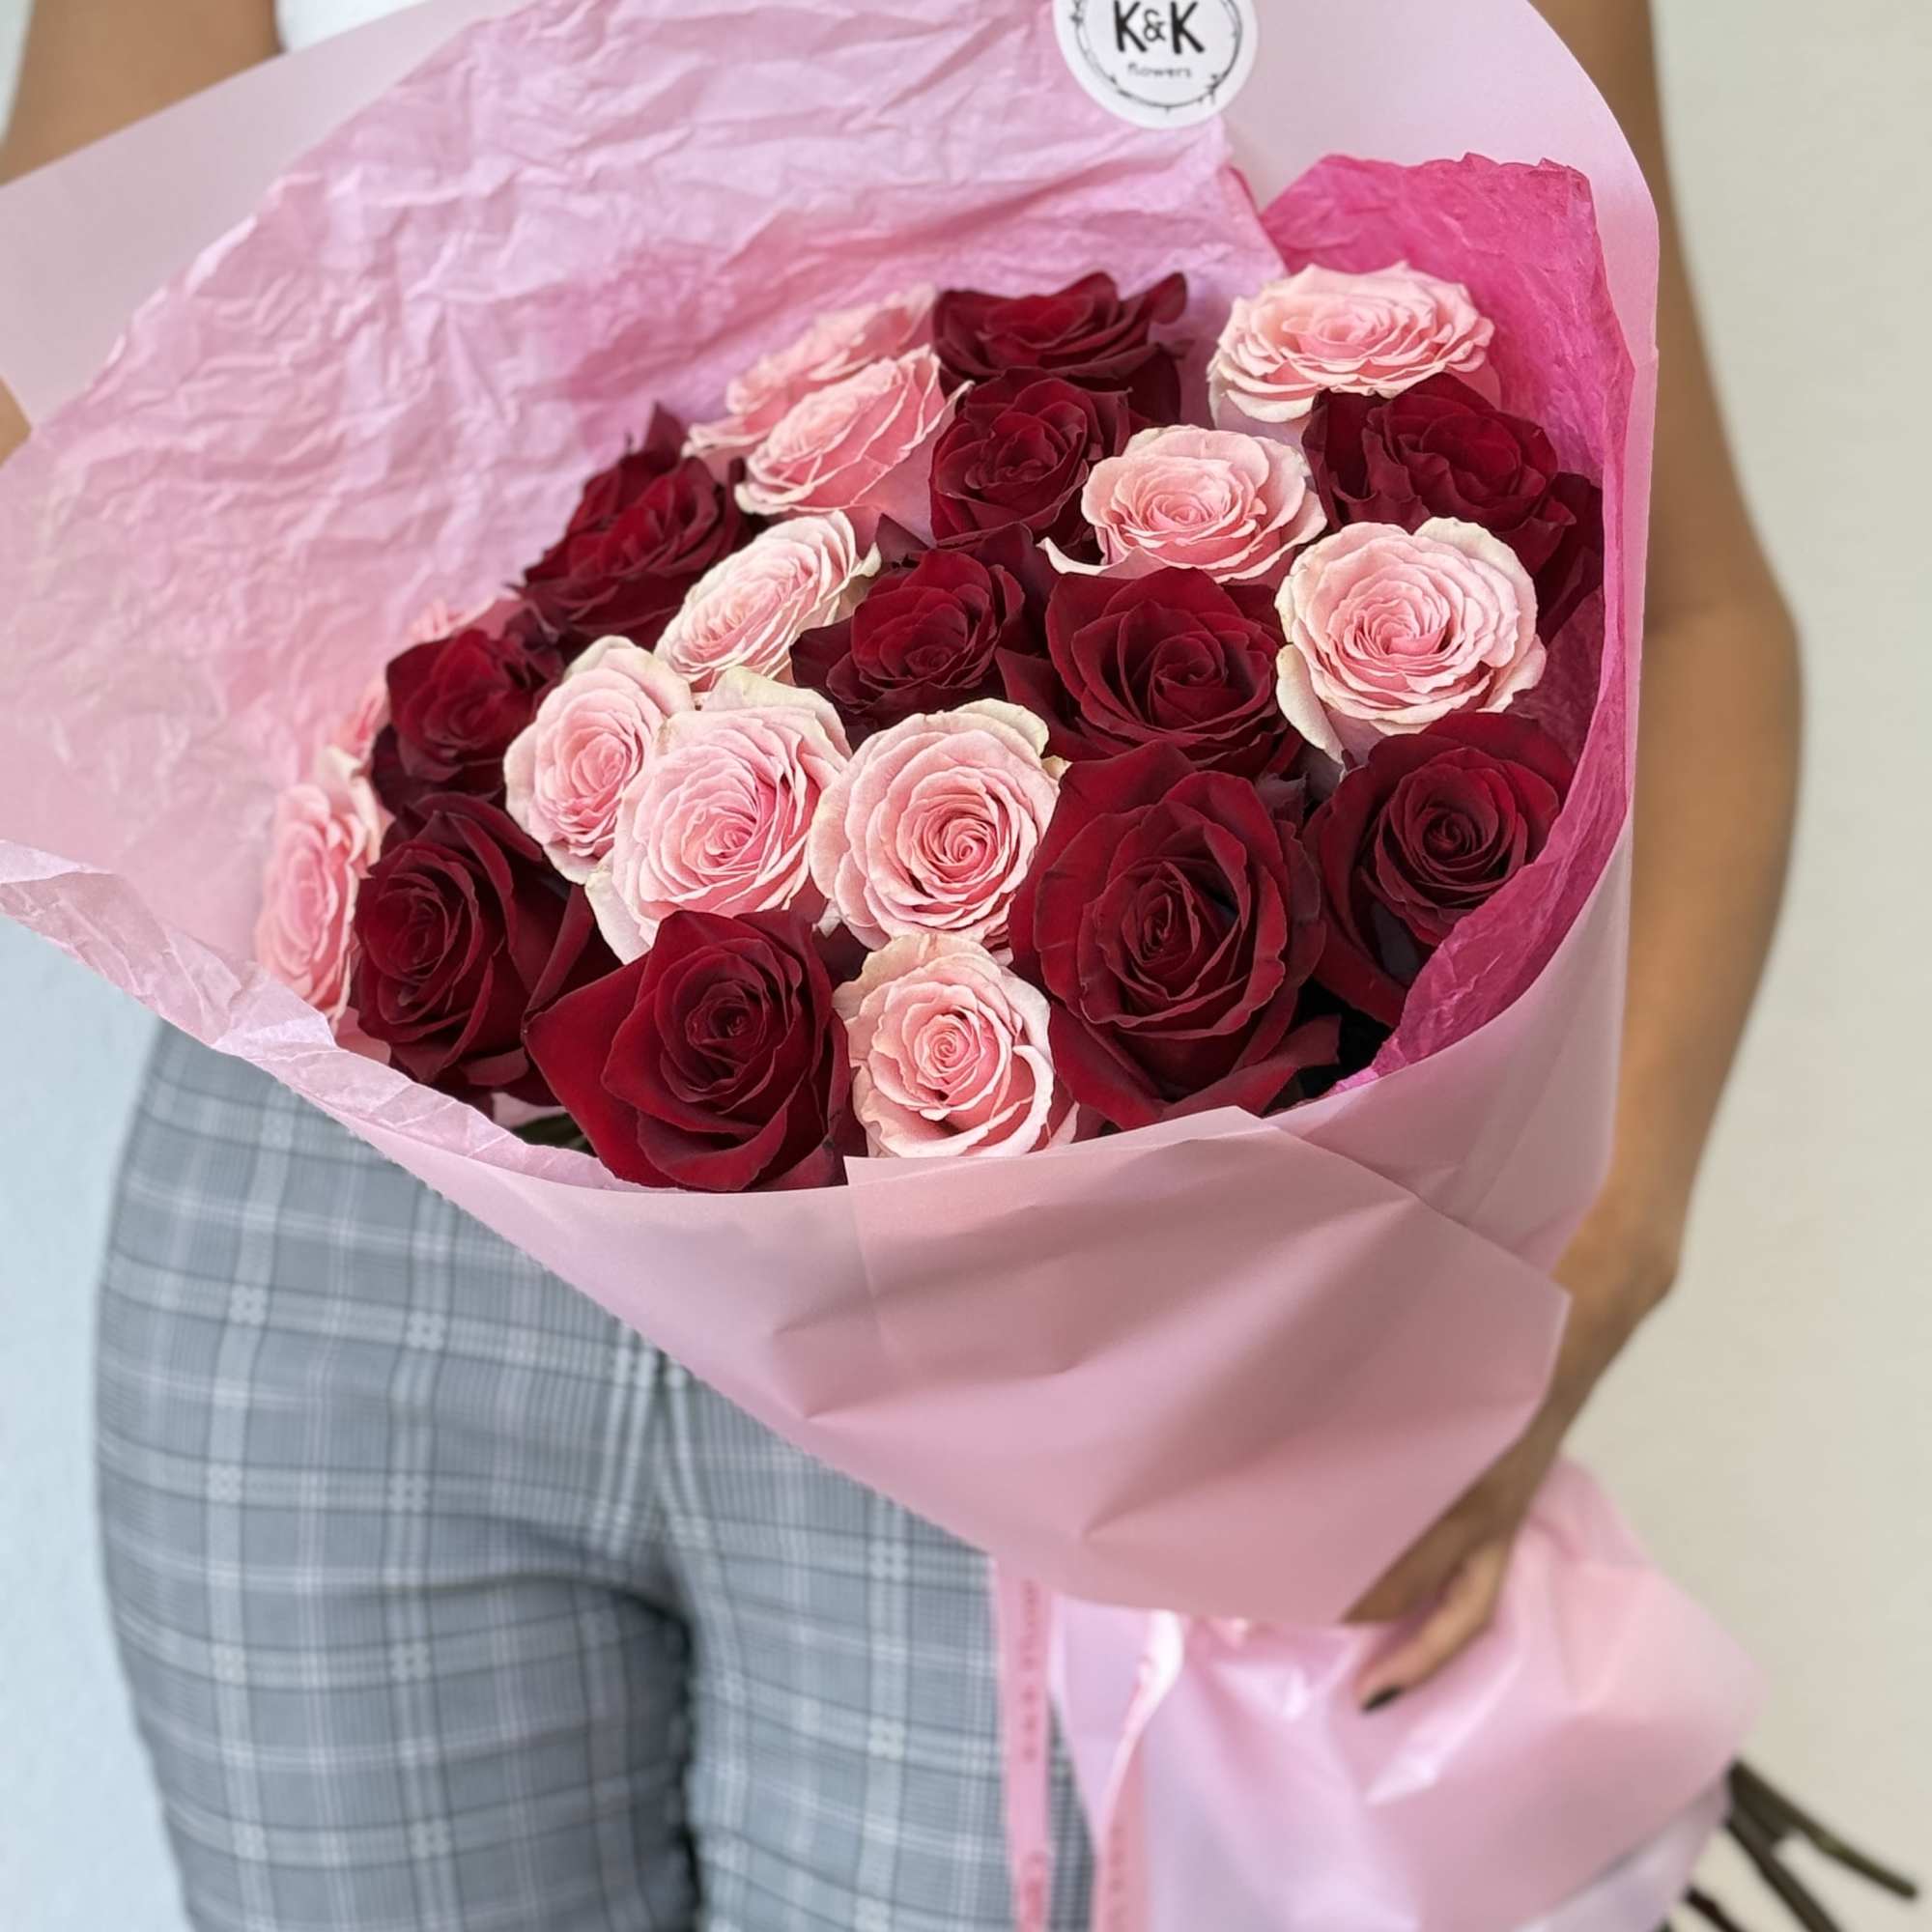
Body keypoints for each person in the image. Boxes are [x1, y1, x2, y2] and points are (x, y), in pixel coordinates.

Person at [0, 2, 1802, 1926]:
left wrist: (1594, 1256)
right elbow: (65, 430)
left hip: (1027, 1316)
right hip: (343, 1234)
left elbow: (1686, 614)